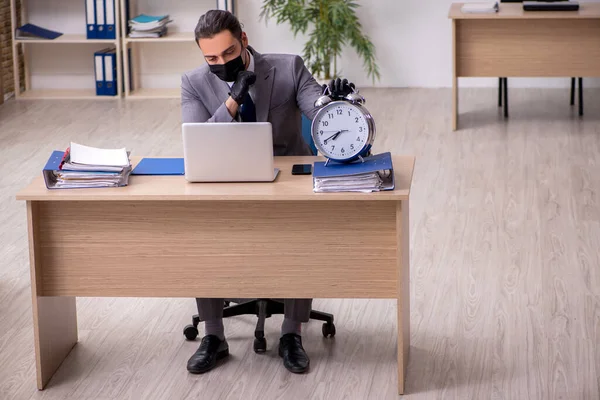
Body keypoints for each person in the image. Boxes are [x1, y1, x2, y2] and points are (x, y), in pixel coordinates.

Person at [181, 9, 356, 375]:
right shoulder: (194, 82)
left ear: (243, 40)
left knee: (300, 232)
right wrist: (233, 100)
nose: (221, 63)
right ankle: (214, 336)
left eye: (228, 54)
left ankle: (291, 333)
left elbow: (317, 109)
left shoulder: (288, 67)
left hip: (287, 180)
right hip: (226, 179)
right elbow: (198, 139)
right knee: (199, 230)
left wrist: (336, 103)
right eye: (211, 58)